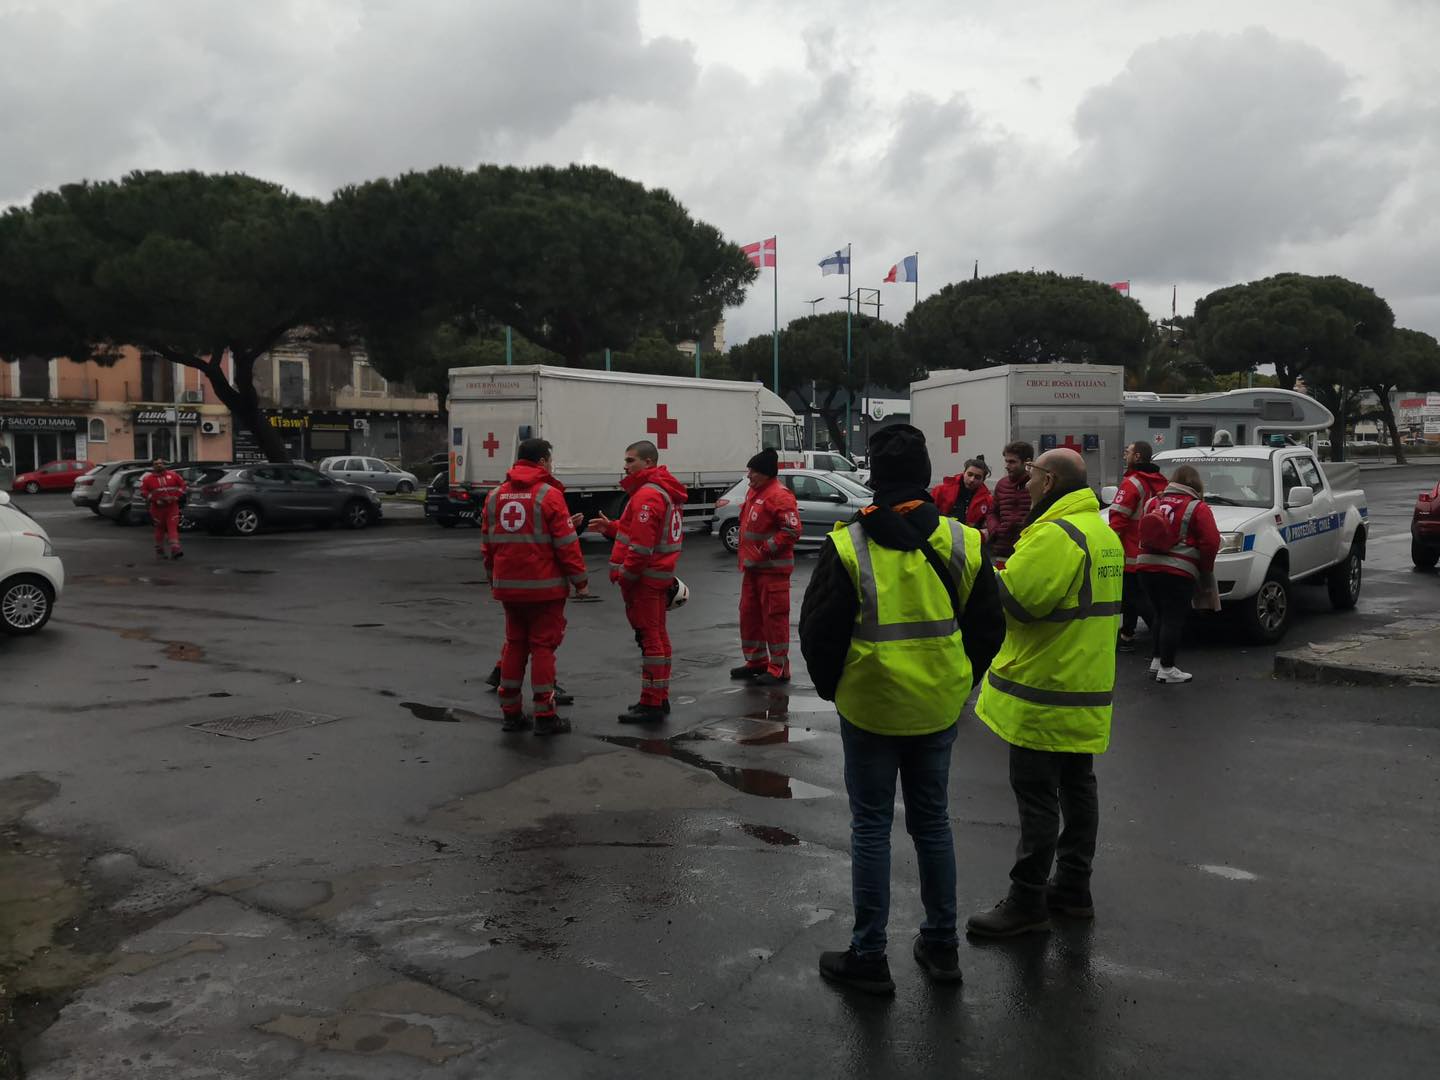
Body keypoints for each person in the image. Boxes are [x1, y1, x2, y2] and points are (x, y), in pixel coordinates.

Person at [800, 424, 1004, 994]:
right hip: (937, 706)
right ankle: (942, 948)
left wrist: (833, 689)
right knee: (932, 823)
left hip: (868, 707)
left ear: (873, 474)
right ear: (924, 471)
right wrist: (961, 679)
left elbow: (818, 632)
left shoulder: (848, 543)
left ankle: (869, 956)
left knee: (870, 827)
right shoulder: (964, 541)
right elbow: (990, 625)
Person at [966, 448, 1124, 938]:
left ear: (1051, 481)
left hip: (1044, 690)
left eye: (1033, 474)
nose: (1026, 482)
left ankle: (1027, 901)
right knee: (1079, 790)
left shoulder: (1056, 536)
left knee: (1037, 798)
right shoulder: (1101, 532)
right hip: (1085, 688)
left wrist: (981, 569)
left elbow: (1017, 603)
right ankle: (1073, 889)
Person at [480, 438, 591, 735]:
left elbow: (487, 546)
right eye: (550, 460)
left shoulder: (494, 496)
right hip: (545, 590)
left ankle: (511, 713)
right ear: (542, 461)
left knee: (515, 645)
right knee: (543, 648)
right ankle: (545, 715)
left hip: (508, 589)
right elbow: (567, 546)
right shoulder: (549, 495)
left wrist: (494, 578)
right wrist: (581, 582)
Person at [587, 440, 688, 724]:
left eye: (631, 460)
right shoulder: (660, 492)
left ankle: (652, 703)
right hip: (657, 578)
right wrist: (612, 528)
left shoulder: (648, 495)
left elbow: (641, 548)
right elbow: (641, 533)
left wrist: (625, 577)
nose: (625, 465)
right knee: (657, 638)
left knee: (650, 640)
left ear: (648, 462)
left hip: (645, 581)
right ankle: (657, 697)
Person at [1136, 463, 1221, 685]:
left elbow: (1142, 531)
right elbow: (1211, 542)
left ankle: (1156, 660)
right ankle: (1168, 667)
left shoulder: (1153, 502)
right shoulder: (1197, 507)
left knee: (1159, 614)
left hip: (1145, 566)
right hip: (1177, 570)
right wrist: (1205, 570)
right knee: (1173, 618)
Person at [730, 448, 802, 686]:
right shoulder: (755, 492)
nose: (748, 476)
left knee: (774, 620)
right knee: (749, 617)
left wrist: (765, 550)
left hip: (772, 572)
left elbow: (791, 530)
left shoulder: (779, 495)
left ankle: (778, 668)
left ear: (766, 473)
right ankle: (757, 662)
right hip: (753, 570)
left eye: (753, 471)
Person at [1108, 441, 1169, 652]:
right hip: (1153, 551)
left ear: (1137, 457)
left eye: (1128, 452)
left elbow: (1118, 518)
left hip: (1131, 553)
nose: (1125, 454)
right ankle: (1127, 633)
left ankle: (1162, 639)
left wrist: (1108, 544)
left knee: (1137, 597)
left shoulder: (1132, 483)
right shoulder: (1161, 482)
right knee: (1136, 597)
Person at [985, 441, 1034, 561]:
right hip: (1000, 549)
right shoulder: (1002, 484)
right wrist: (995, 529)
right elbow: (992, 512)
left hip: (1026, 550)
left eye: (1012, 462)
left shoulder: (1037, 485)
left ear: (1027, 462)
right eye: (1006, 461)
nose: (1007, 466)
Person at [930, 456, 993, 541]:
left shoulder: (987, 500)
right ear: (964, 473)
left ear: (983, 480)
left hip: (968, 541)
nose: (972, 480)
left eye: (977, 477)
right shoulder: (940, 491)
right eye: (969, 474)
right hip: (940, 538)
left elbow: (988, 525)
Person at [139, 458, 187, 560]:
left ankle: (175, 549)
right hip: (157, 508)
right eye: (156, 464)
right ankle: (160, 550)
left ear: (164, 465)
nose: (159, 465)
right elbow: (143, 492)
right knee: (159, 528)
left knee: (172, 527)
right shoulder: (147, 479)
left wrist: (176, 496)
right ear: (153, 466)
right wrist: (155, 500)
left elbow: (183, 486)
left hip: (172, 507)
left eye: (160, 463)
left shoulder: (173, 475)